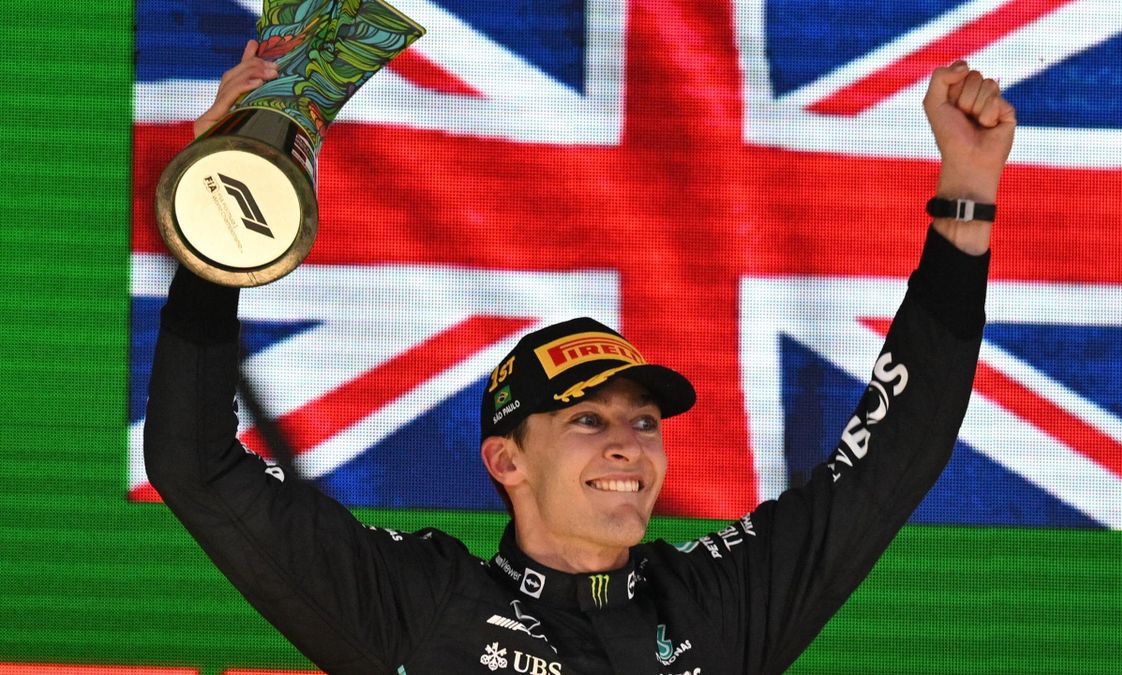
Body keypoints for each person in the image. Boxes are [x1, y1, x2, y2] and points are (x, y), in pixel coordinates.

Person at [145, 39, 1015, 675]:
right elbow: (194, 463)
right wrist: (220, 233)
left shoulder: (716, 605)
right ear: (505, 459)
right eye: (588, 419)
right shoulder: (420, 603)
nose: (629, 444)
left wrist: (967, 200)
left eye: (644, 420)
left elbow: (891, 459)